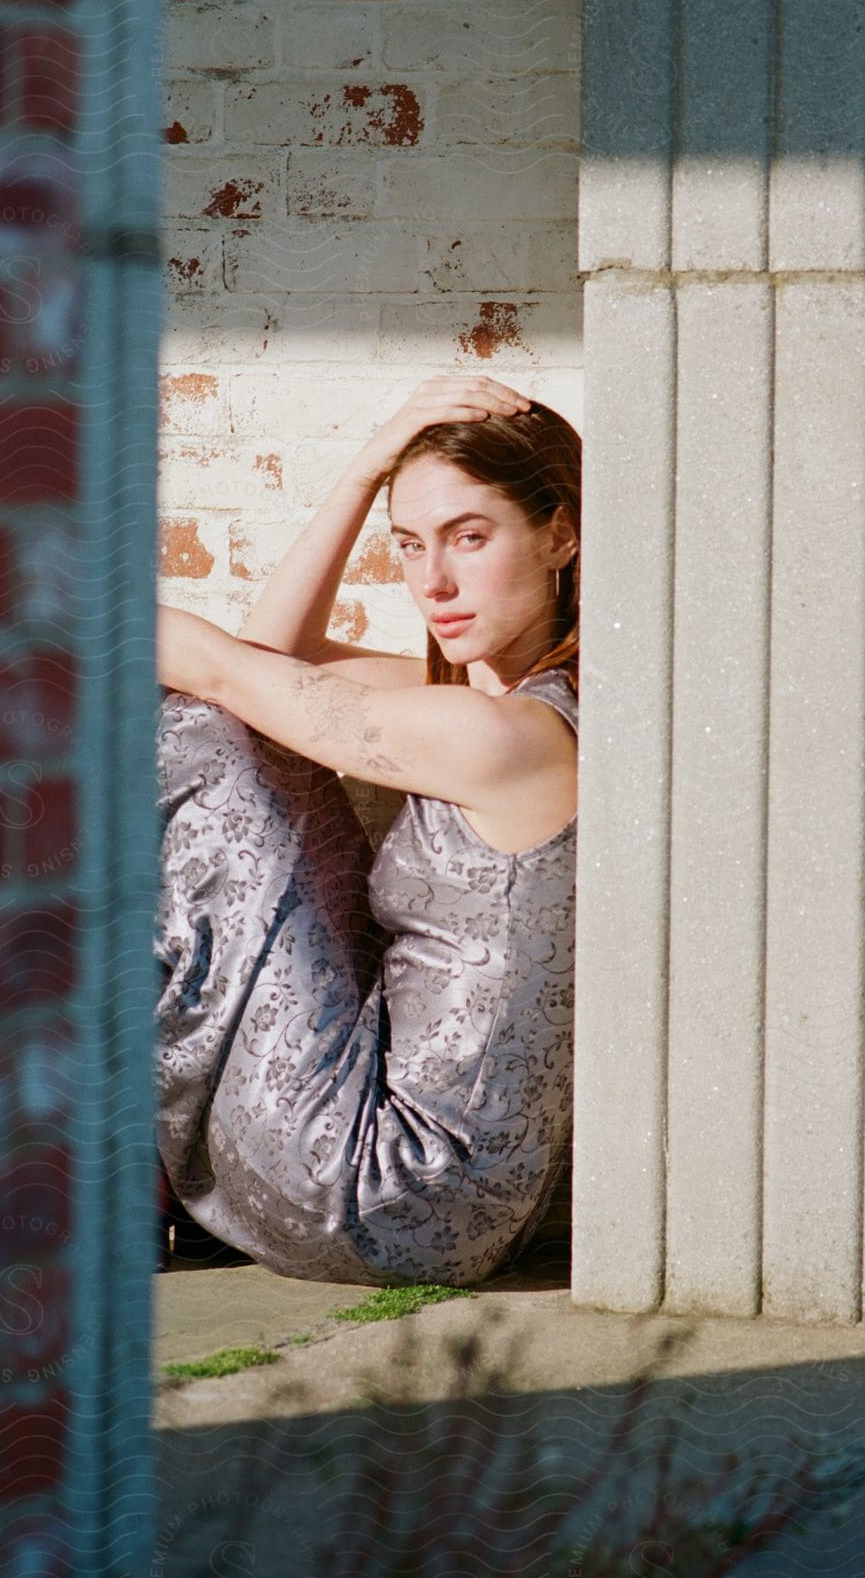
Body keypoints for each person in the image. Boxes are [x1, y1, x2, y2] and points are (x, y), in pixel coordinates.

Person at [152, 375, 581, 1287]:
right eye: (410, 544)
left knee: (187, 732)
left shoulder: (506, 739)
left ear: (561, 534)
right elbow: (271, 663)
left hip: (382, 1187)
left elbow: (220, 676)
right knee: (236, 724)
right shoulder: (492, 711)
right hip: (454, 1206)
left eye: (470, 538)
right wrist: (363, 472)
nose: (434, 580)